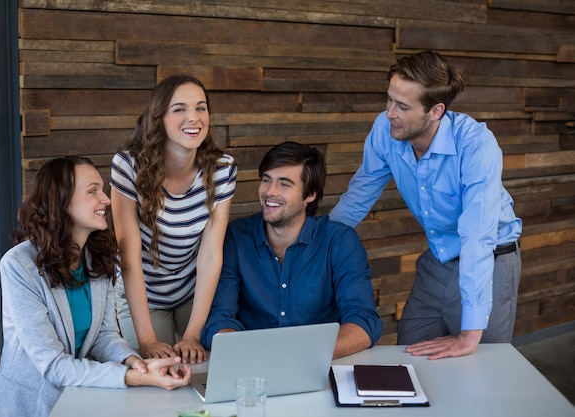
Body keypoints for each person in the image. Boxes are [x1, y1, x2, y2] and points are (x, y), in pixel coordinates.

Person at [329, 50, 522, 359]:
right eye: (389, 99)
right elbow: (358, 196)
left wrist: (469, 335)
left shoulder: (476, 145)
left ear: (435, 111)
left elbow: (477, 235)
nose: (390, 113)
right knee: (410, 355)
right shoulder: (385, 129)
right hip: (438, 260)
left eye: (402, 106)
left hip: (491, 263)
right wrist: (316, 245)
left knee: (483, 367)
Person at [0, 157, 191, 417]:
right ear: (61, 202)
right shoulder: (19, 265)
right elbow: (53, 365)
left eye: (103, 190)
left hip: (75, 399)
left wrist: (138, 364)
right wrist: (133, 377)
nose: (106, 200)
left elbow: (103, 336)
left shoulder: (95, 257)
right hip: (22, 407)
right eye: (93, 191)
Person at [202, 142, 382, 359]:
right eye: (266, 180)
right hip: (253, 366)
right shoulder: (236, 237)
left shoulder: (339, 241)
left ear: (310, 195)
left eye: (284, 184)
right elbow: (219, 319)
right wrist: (247, 356)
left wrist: (302, 356)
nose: (270, 191)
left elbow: (364, 321)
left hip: (319, 366)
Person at [110, 75, 237, 365]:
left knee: (201, 370)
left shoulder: (222, 169)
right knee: (156, 372)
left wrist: (193, 333)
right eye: (179, 108)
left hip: (192, 292)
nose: (193, 117)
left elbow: (210, 255)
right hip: (144, 295)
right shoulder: (128, 165)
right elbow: (128, 258)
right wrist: (148, 340)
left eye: (201, 107)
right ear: (159, 118)